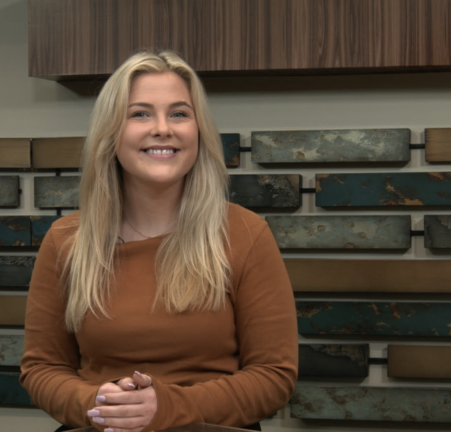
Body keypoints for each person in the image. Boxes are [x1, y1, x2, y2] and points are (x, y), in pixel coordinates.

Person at [20, 50, 298, 432]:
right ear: (111, 133)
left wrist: (167, 407)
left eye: (179, 113)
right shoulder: (66, 240)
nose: (163, 128)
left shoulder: (246, 234)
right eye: (140, 114)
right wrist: (102, 404)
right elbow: (42, 369)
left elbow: (274, 376)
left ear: (198, 131)